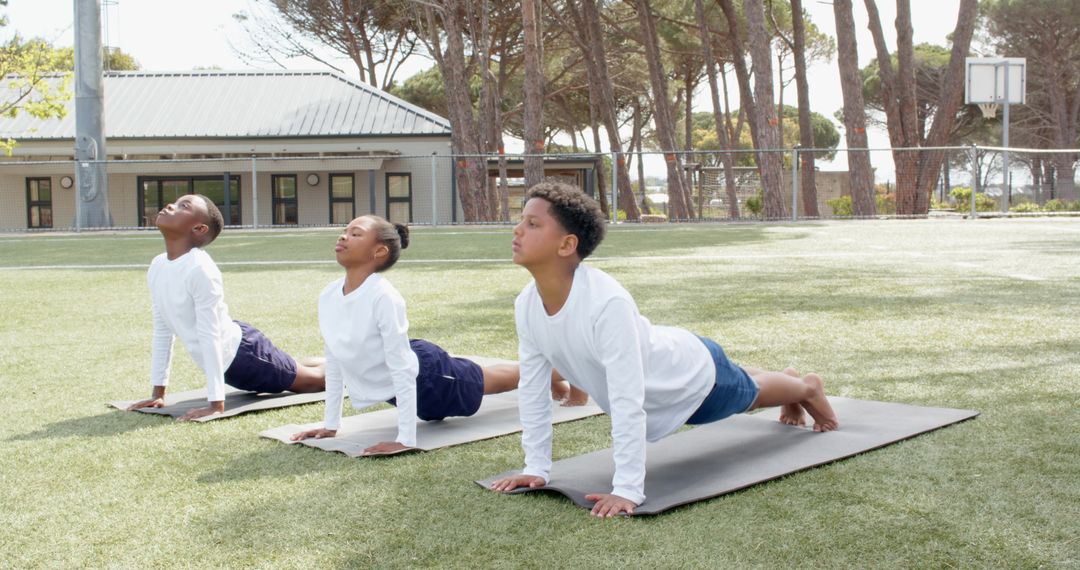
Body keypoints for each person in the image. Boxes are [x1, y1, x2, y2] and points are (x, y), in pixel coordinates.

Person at [490, 182, 838, 517]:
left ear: (566, 245)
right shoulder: (527, 305)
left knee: (750, 393)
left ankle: (806, 387)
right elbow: (534, 390)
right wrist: (535, 467)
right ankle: (787, 379)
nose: (517, 229)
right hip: (671, 353)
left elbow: (627, 399)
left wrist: (626, 488)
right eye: (521, 220)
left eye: (532, 223)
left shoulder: (605, 303)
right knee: (741, 379)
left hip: (688, 378)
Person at [291, 215, 577, 455]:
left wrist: (405, 439)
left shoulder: (383, 296)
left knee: (502, 379)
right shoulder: (329, 294)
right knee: (491, 373)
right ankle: (556, 373)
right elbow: (335, 358)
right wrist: (330, 425)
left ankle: (568, 372)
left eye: (355, 233)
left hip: (429, 379)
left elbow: (402, 368)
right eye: (344, 231)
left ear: (379, 252)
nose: (342, 237)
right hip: (411, 374)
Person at [126, 194, 325, 421]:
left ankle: (356, 365)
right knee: (290, 366)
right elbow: (163, 328)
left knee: (315, 381)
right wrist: (158, 393)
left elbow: (209, 335)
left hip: (244, 358)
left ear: (199, 228)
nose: (170, 205)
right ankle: (331, 360)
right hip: (232, 360)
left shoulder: (200, 269)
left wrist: (216, 404)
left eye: (184, 206)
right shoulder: (158, 265)